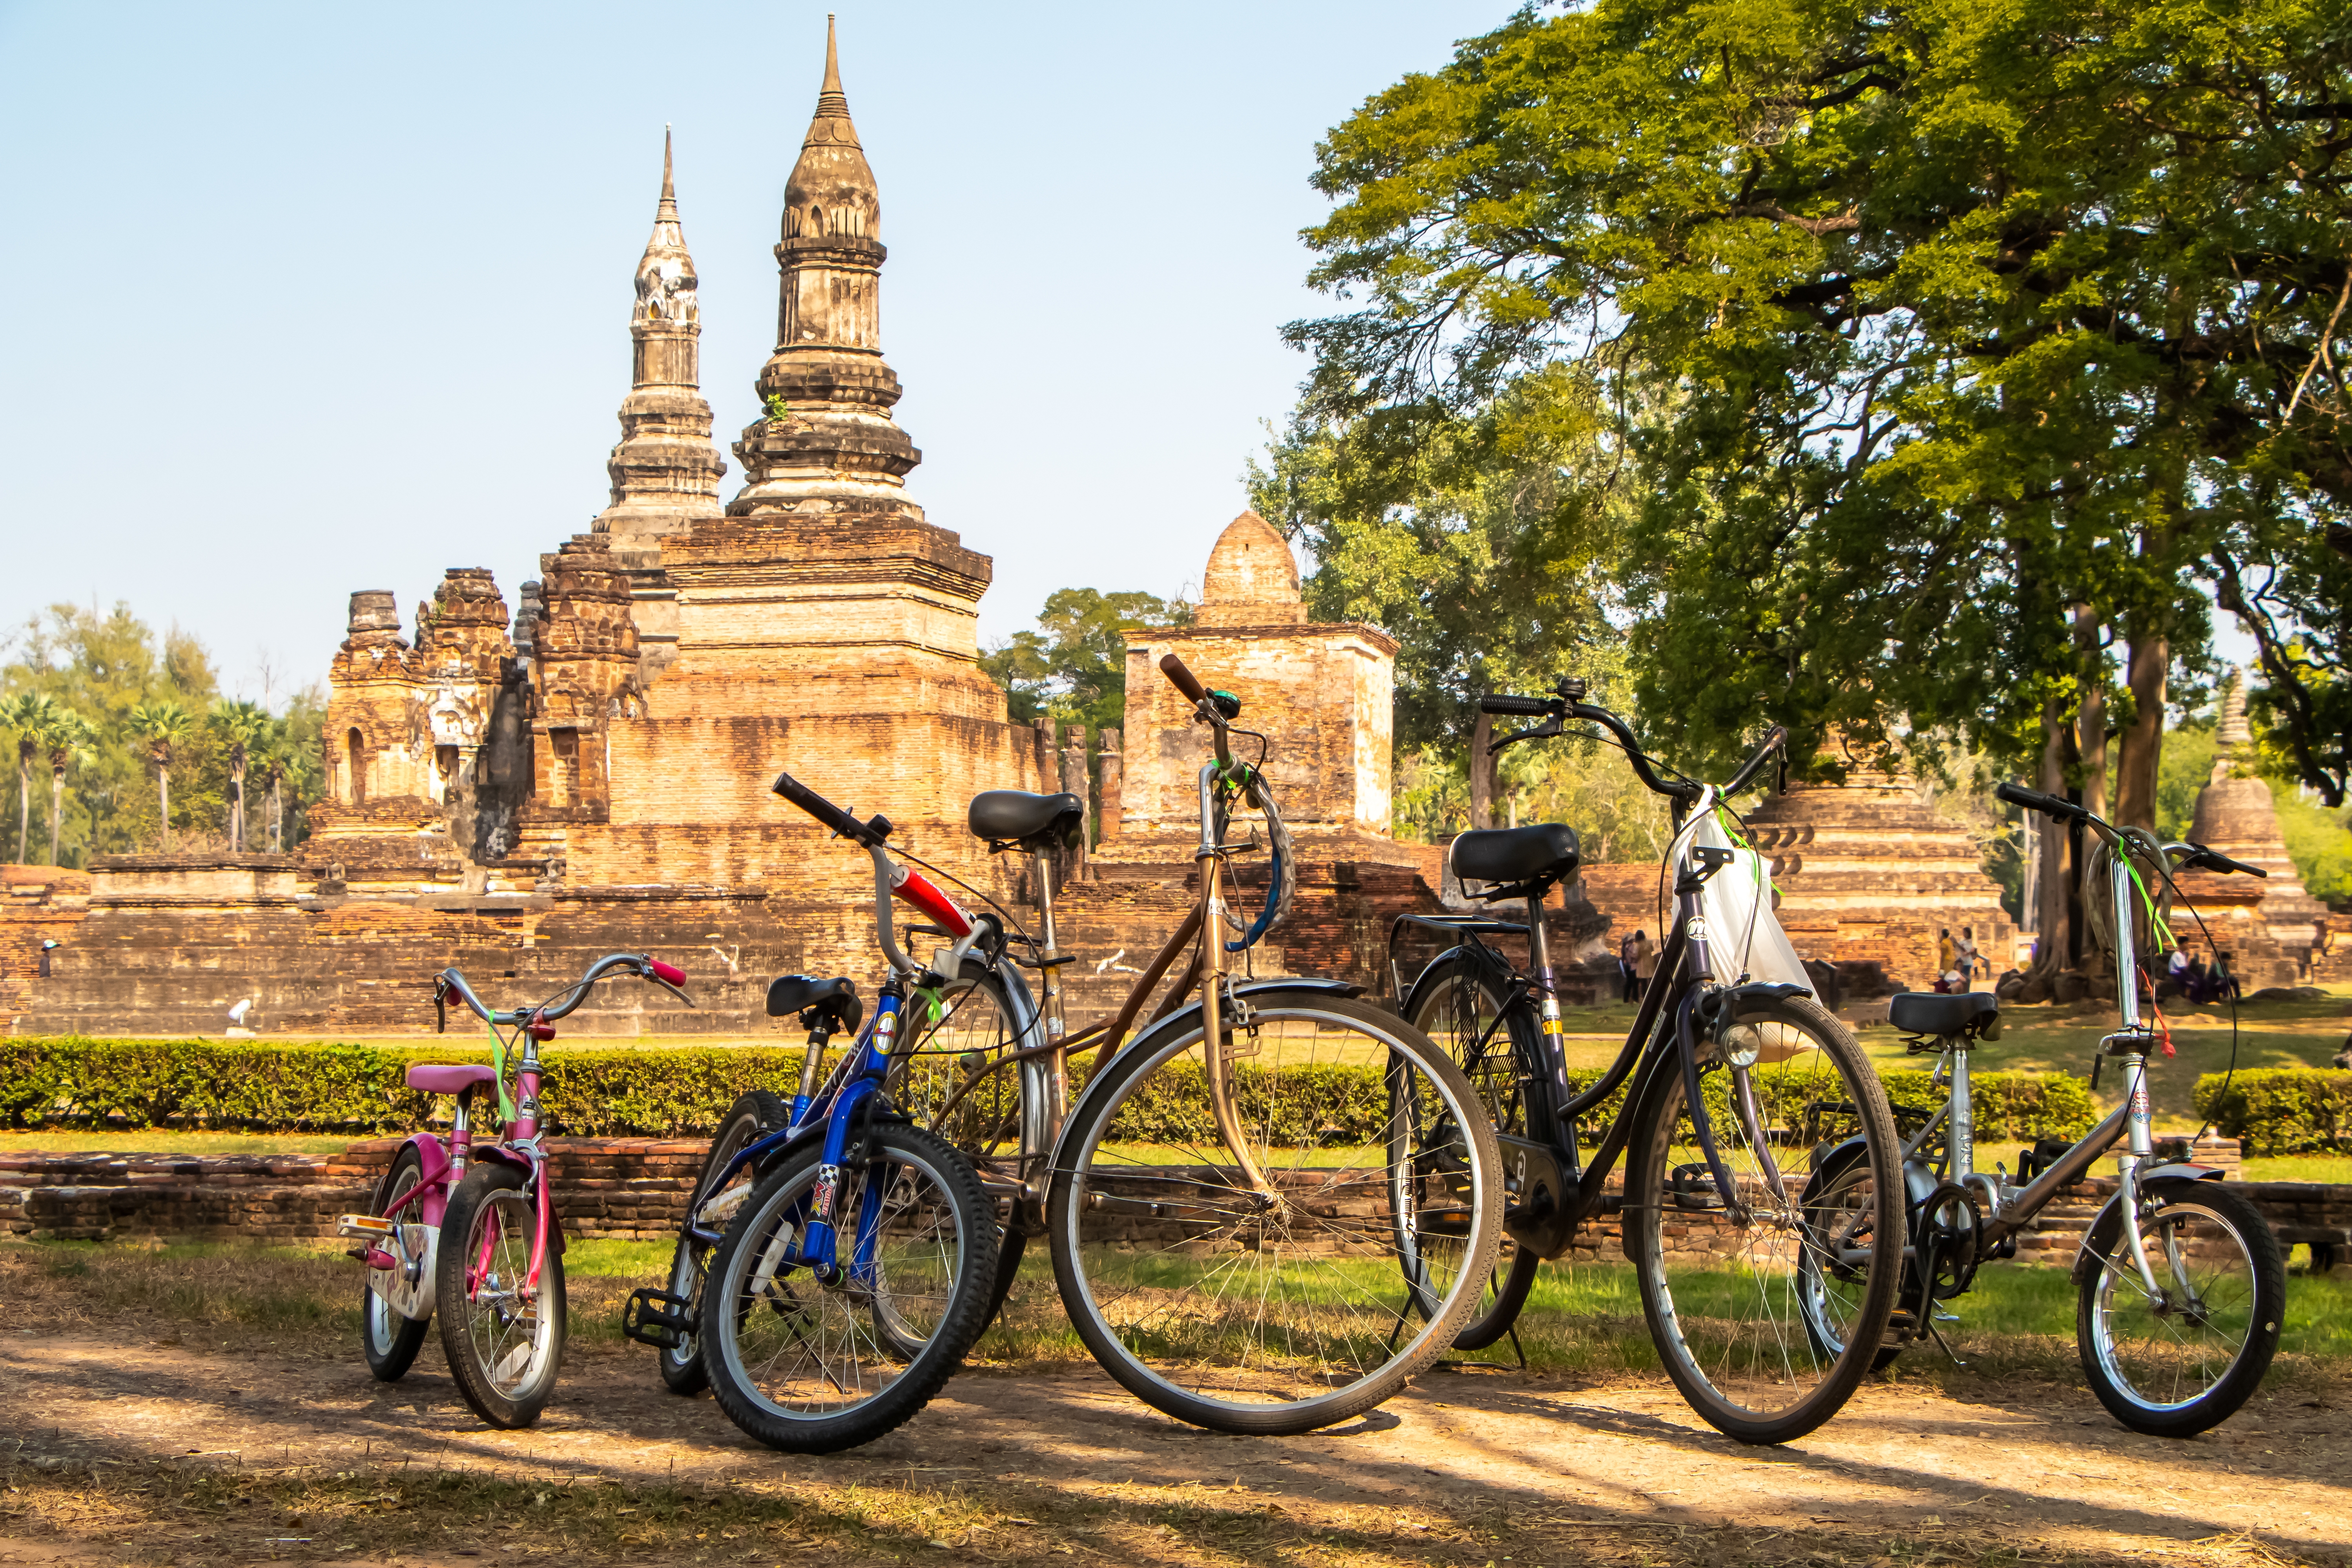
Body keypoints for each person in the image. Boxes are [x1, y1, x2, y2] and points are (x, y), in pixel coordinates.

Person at [1631, 930, 1658, 1001]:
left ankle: (1645, 997)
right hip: (1650, 963)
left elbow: (1637, 956)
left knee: (1643, 983)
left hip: (1642, 965)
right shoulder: (1649, 943)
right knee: (1651, 980)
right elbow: (1652, 950)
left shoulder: (1638, 946)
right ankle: (1654, 995)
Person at [1955, 926, 1981, 991]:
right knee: (1962, 977)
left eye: (1965, 932)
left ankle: (1967, 990)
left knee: (1966, 978)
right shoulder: (1963, 941)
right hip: (1962, 962)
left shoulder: (1970, 942)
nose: (1964, 934)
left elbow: (1971, 951)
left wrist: (1968, 952)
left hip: (1967, 963)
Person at [1618, 930, 1640, 1004]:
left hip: (1627, 966)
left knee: (1629, 983)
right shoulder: (1630, 947)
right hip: (1632, 967)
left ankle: (1627, 999)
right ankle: (1634, 999)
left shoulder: (1624, 948)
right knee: (1634, 983)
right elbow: (1633, 956)